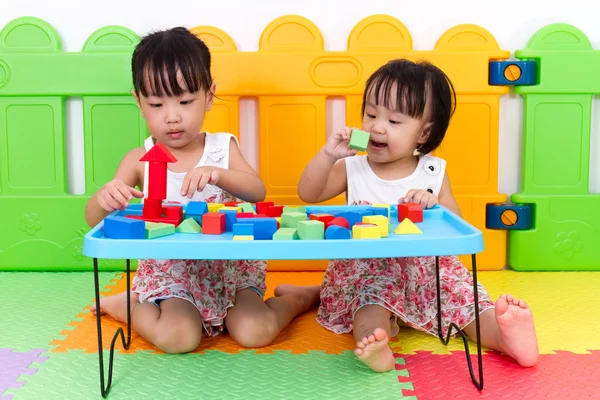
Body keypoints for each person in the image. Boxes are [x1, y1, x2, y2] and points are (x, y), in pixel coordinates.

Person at [85, 27, 319, 354]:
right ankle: (127, 305)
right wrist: (103, 198)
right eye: (156, 104)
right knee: (178, 338)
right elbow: (93, 221)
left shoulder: (223, 148)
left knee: (256, 332)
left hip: (230, 272)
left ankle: (298, 297)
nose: (172, 116)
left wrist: (219, 174)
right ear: (139, 103)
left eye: (185, 100)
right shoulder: (139, 159)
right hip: (173, 275)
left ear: (209, 96)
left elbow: (257, 191)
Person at [295, 58, 539, 372]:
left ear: (424, 133)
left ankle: (507, 336)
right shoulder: (352, 166)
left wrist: (434, 204)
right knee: (367, 307)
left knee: (467, 305)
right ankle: (377, 345)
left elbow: (456, 222)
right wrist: (328, 155)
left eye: (394, 121)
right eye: (370, 114)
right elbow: (308, 192)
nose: (376, 127)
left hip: (429, 274)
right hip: (371, 271)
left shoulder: (432, 171)